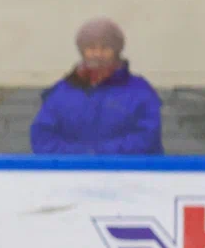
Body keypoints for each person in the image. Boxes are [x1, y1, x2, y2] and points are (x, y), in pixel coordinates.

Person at [30, 17, 163, 155]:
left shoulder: (140, 92)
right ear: (82, 51)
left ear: (116, 51)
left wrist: (100, 154)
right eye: (91, 48)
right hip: (71, 174)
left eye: (105, 48)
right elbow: (42, 138)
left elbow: (147, 138)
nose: (98, 54)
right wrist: (80, 157)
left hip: (127, 174)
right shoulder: (61, 92)